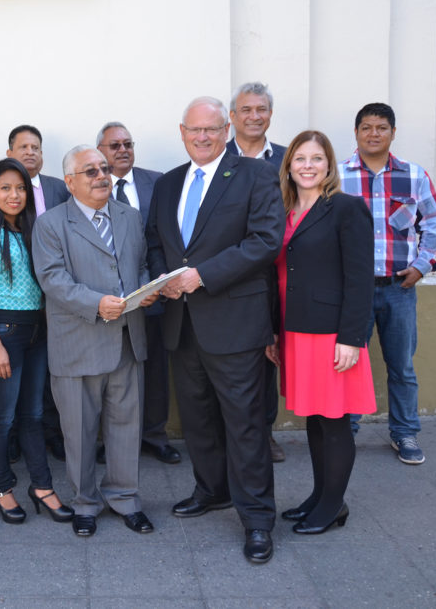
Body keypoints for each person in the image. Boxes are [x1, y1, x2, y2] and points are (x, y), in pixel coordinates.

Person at [146, 97, 285, 563]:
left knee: (245, 425)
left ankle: (258, 519)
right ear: (181, 131)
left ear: (226, 130)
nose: (202, 137)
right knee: (198, 418)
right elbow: (155, 243)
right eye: (194, 130)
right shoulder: (167, 184)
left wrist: (203, 275)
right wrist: (162, 279)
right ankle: (212, 490)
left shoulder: (255, 174)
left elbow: (265, 240)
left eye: (211, 129)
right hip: (181, 325)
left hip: (235, 323)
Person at [32, 145, 159, 538]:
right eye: (90, 171)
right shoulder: (51, 224)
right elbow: (52, 279)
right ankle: (85, 502)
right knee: (80, 431)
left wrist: (144, 289)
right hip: (79, 342)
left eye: (103, 168)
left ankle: (125, 498)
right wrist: (96, 304)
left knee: (125, 426)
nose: (101, 175)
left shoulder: (129, 216)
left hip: (126, 340)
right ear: (70, 182)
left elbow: (138, 265)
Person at [264, 131, 375, 534]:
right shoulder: (284, 210)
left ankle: (333, 506)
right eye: (300, 158)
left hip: (331, 334)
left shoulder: (346, 209)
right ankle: (318, 495)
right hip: (294, 330)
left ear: (329, 165)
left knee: (336, 420)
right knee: (314, 416)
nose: (307, 166)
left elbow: (360, 278)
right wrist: (274, 332)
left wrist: (352, 338)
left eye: (316, 158)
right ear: (289, 165)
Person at [0, 158, 73, 525]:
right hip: (5, 333)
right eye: (5, 188)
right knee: (1, 418)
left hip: (36, 332)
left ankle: (42, 486)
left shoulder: (32, 229)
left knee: (34, 414)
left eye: (20, 188)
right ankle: (1, 488)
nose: (14, 195)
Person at [339, 103, 436, 465]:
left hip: (399, 288)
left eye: (381, 127)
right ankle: (345, 433)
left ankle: (405, 433)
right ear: (356, 133)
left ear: (393, 133)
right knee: (348, 364)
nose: (373, 134)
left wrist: (422, 265)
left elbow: (432, 221)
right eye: (366, 127)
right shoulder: (337, 177)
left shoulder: (413, 175)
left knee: (401, 365)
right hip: (353, 291)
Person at [97, 121, 179, 465]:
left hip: (154, 292)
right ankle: (109, 438)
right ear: (100, 151)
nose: (122, 150)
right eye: (114, 145)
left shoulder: (156, 182)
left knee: (155, 367)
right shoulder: (91, 182)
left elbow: (165, 233)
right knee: (110, 369)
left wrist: (159, 281)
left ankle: (154, 434)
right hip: (109, 298)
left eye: (128, 144)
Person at [225, 83, 288, 462]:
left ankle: (264, 433)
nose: (253, 116)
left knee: (268, 355)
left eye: (261, 109)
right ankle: (230, 436)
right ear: (232, 117)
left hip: (276, 272)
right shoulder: (216, 154)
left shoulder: (287, 158)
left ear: (269, 114)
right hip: (229, 272)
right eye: (245, 109)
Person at [5, 124, 68, 461]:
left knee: (52, 368)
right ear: (9, 153)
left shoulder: (59, 188)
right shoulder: (1, 191)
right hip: (16, 297)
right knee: (18, 371)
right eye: (23, 147)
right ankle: (15, 435)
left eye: (36, 148)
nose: (30, 153)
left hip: (57, 293)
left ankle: (53, 432)